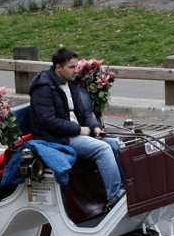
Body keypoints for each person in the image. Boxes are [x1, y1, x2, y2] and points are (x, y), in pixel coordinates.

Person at [28, 48, 124, 208]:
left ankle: (125, 189)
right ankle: (114, 197)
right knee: (103, 149)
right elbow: (48, 121)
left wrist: (95, 127)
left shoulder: (71, 83)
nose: (75, 70)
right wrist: (79, 130)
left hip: (75, 133)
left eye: (76, 66)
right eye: (71, 67)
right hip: (56, 138)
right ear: (58, 67)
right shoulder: (43, 87)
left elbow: (84, 113)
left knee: (116, 144)